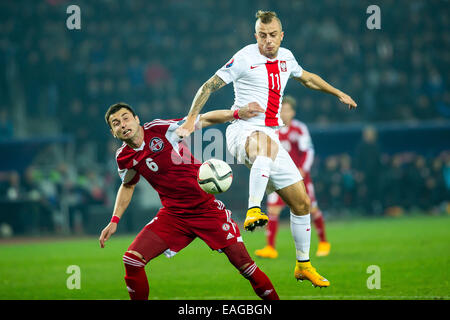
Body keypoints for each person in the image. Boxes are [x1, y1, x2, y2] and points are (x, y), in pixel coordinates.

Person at [176, 10, 357, 288]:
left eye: (273, 35)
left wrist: (338, 93)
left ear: (281, 35)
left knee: (302, 203)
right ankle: (253, 210)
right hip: (242, 131)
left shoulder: (287, 57)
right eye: (262, 36)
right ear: (255, 35)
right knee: (264, 149)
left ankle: (303, 265)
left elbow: (307, 78)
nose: (268, 41)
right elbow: (208, 86)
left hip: (271, 137)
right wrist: (190, 120)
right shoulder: (244, 57)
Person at [99, 102, 280, 300]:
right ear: (113, 132)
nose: (123, 125)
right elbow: (127, 185)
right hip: (173, 215)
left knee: (246, 266)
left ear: (136, 119)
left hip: (206, 210)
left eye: (126, 118)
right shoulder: (124, 157)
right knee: (132, 260)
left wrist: (237, 113)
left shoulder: (161, 129)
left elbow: (203, 119)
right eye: (116, 123)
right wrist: (114, 220)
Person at [255, 96, 330, 259]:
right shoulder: (272, 129)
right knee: (273, 209)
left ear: (293, 112)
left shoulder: (299, 128)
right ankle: (270, 247)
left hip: (300, 177)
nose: (283, 113)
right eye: (281, 109)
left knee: (311, 208)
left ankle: (324, 242)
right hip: (278, 177)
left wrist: (303, 169)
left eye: (287, 110)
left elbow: (308, 151)